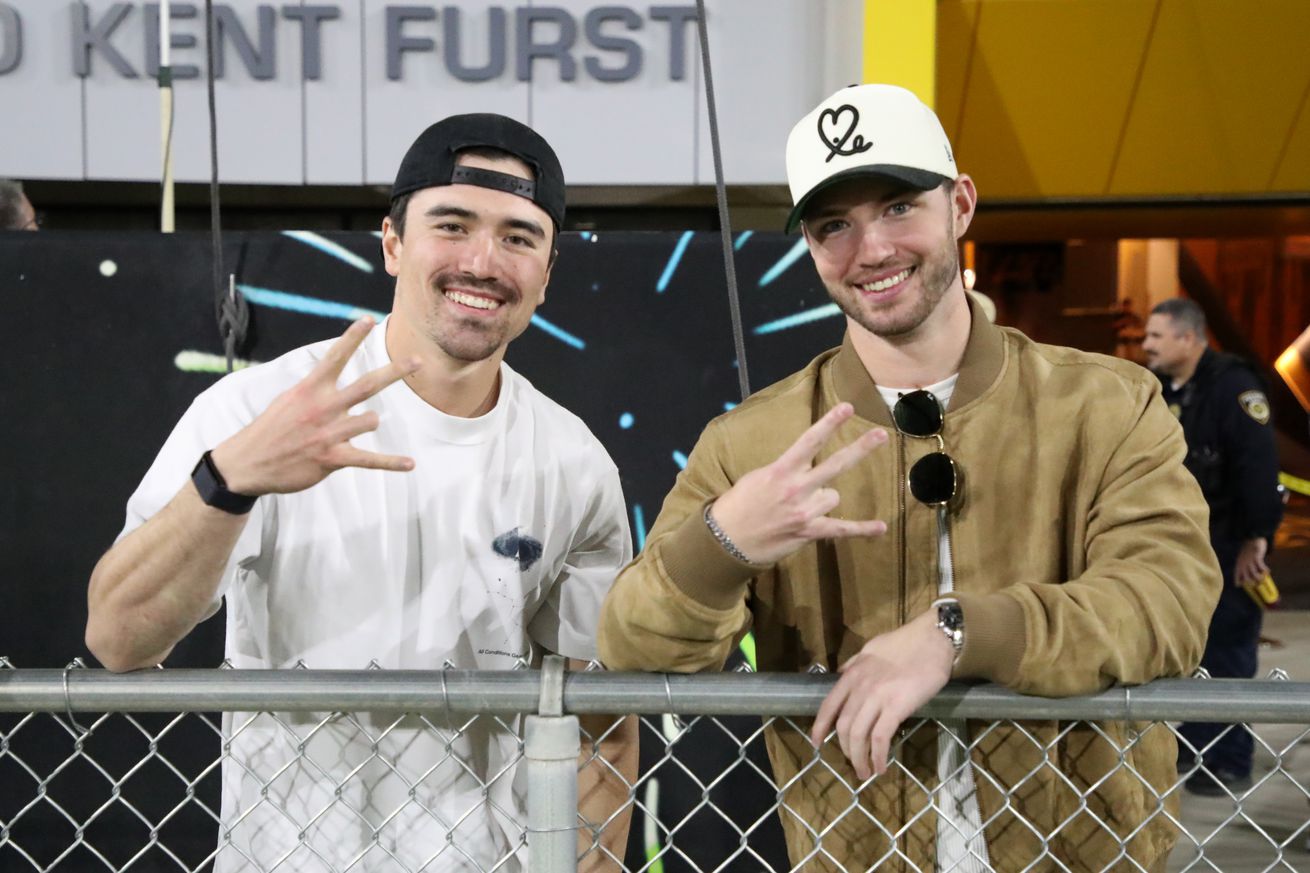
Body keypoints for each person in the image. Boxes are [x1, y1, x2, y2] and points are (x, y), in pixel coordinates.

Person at [598, 84, 1221, 871]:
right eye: (834, 226)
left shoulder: (1106, 402)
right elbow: (629, 643)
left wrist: (955, 634)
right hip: (855, 852)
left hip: (1082, 850)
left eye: (898, 207)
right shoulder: (752, 441)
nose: (872, 250)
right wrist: (725, 543)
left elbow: (1168, 598)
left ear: (959, 204)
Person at [86, 114, 636, 872]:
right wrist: (231, 479)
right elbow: (117, 638)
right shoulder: (255, 410)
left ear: (547, 272)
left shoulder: (573, 463)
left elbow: (600, 724)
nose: (482, 261)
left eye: (518, 236)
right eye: (452, 224)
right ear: (392, 243)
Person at [1144, 297, 1284, 796]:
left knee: (1228, 649)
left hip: (1229, 543)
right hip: (1181, 545)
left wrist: (1256, 538)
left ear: (1188, 337)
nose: (1146, 345)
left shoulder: (1233, 387)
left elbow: (1257, 469)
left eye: (1156, 336)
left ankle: (1228, 758)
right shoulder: (1164, 388)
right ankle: (1196, 742)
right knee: (1191, 649)